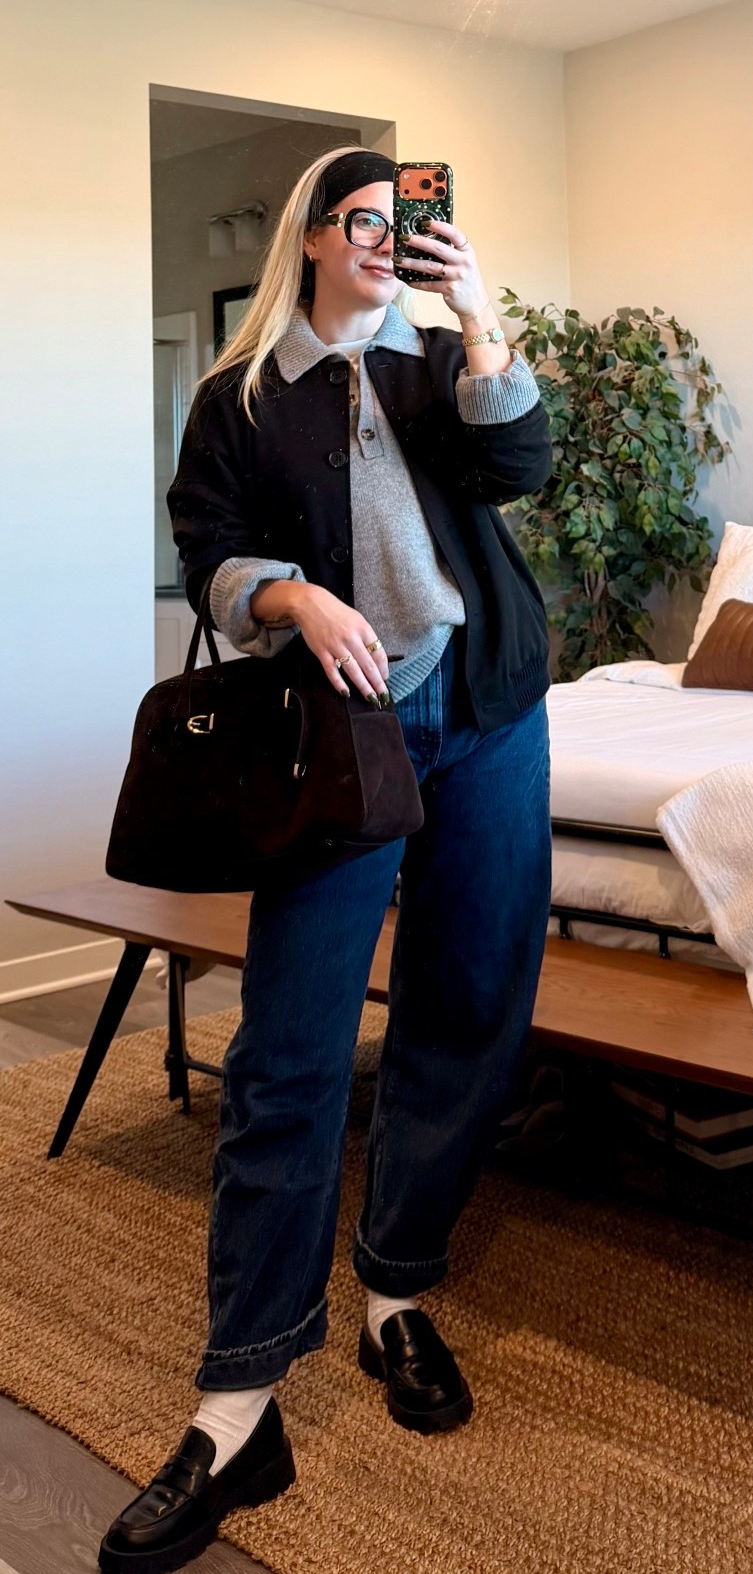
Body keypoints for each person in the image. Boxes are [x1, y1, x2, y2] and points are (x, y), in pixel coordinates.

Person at [99, 148, 554, 1574]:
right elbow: (209, 550)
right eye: (359, 221)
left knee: (467, 1010)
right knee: (288, 1055)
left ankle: (395, 1293)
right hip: (339, 746)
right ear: (309, 235)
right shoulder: (239, 399)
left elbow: (518, 472)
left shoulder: (432, 361)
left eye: (398, 222)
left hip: (487, 720)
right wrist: (289, 594)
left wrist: (480, 325)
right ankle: (240, 1399)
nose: (381, 240)